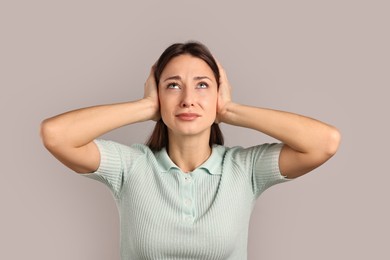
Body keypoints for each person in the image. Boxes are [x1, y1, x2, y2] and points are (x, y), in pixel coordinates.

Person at [40, 41, 341, 259]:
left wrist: (231, 110)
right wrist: (146, 107)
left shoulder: (244, 170)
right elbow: (56, 135)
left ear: (218, 94)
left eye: (202, 86)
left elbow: (324, 142)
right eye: (172, 85)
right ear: (157, 93)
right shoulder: (130, 167)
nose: (187, 99)